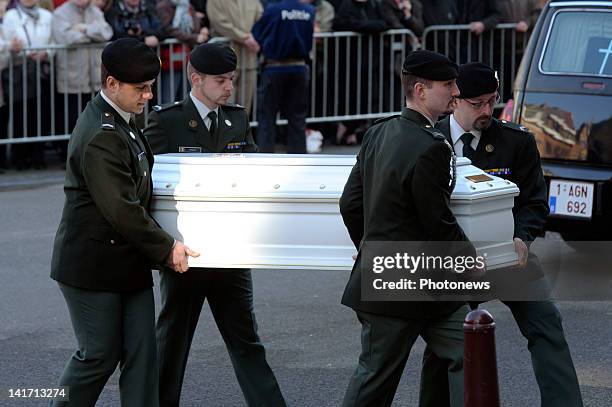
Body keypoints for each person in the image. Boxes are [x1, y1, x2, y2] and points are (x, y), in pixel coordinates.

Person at [419, 62, 584, 407]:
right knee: (446, 342)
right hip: (456, 261)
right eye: (476, 103)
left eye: (491, 101)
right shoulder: (427, 140)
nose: (486, 111)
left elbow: (535, 201)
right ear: (454, 100)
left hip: (510, 255)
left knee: (547, 325)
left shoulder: (515, 141)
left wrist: (523, 237)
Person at [49, 38, 199, 407]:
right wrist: (167, 248)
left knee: (142, 359)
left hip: (127, 262)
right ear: (112, 83)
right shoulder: (102, 134)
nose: (149, 95)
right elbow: (122, 209)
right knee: (98, 356)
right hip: (92, 266)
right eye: (141, 88)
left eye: (151, 86)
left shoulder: (123, 122)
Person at [144, 43, 286, 407]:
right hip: (185, 252)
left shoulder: (235, 118)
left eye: (232, 79)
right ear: (196, 79)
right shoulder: (166, 120)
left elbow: (250, 169)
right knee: (173, 340)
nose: (229, 87)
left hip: (231, 251)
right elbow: (150, 184)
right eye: (221, 80)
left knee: (246, 341)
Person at [339, 50, 472, 407]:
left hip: (396, 280)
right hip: (412, 284)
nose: (455, 91)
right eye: (447, 85)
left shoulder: (377, 133)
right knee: (376, 381)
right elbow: (439, 223)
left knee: (468, 350)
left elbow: (350, 203)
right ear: (420, 90)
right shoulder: (432, 148)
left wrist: (369, 245)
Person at [52, 0, 113, 160]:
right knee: (71, 119)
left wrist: (84, 28)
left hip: (93, 77)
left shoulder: (95, 11)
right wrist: (93, 34)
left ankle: (91, 153)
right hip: (72, 77)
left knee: (93, 118)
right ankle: (70, 156)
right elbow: (66, 38)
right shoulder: (61, 13)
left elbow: (106, 33)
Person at [252, 0, 315, 153]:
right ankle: (298, 157)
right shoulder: (309, 11)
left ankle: (266, 158)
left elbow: (257, 34)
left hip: (275, 67)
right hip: (300, 68)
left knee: (267, 118)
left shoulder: (273, 10)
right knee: (297, 119)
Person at [2, 0, 54, 169]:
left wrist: (45, 52)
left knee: (41, 115)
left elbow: (54, 41)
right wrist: (14, 48)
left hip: (41, 70)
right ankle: (20, 158)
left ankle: (38, 157)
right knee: (20, 115)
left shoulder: (47, 16)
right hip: (19, 71)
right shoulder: (11, 16)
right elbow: (8, 41)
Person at [206, 0, 262, 114]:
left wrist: (255, 37)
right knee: (223, 105)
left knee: (244, 108)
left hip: (249, 61)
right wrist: (244, 37)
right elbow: (218, 22)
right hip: (224, 61)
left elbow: (262, 19)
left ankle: (241, 130)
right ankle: (223, 131)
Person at [156, 0, 208, 103]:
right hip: (171, 58)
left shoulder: (187, 4)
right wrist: (194, 37)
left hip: (189, 57)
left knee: (187, 96)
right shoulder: (164, 6)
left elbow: (195, 26)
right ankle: (165, 119)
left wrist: (203, 28)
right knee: (169, 97)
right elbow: (168, 29)